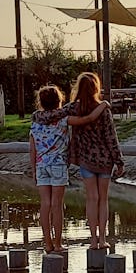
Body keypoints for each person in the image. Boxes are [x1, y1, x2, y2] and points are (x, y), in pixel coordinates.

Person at [29, 85, 107, 253]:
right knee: (57, 205)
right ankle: (58, 244)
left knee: (45, 204)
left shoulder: (35, 122)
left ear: (40, 102)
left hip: (41, 165)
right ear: (59, 101)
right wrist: (103, 105)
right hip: (58, 165)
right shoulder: (64, 120)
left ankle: (47, 243)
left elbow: (33, 148)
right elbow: (88, 119)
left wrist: (34, 169)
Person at [63, 72, 125, 250]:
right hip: (105, 160)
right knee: (103, 199)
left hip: (85, 159)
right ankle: (103, 239)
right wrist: (119, 161)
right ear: (96, 88)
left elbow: (55, 114)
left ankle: (92, 240)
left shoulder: (74, 108)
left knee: (91, 198)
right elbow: (111, 136)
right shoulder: (103, 110)